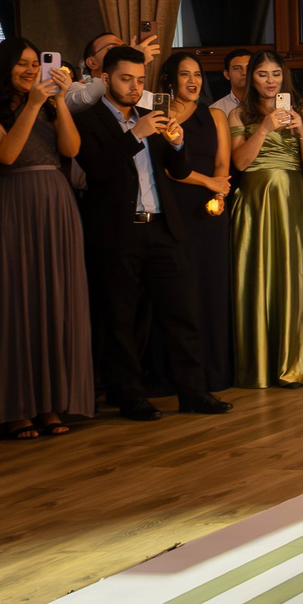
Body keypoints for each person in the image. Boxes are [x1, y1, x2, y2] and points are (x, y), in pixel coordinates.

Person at [70, 46, 230, 421]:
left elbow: (178, 166)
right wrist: (134, 135)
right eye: (126, 79)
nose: (133, 87)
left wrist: (176, 142)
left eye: (140, 80)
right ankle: (129, 396)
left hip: (162, 225)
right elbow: (97, 169)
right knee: (122, 317)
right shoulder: (89, 120)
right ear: (106, 79)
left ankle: (193, 391)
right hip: (117, 231)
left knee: (182, 310)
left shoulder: (151, 114)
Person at [0, 37, 93, 438]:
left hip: (56, 201)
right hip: (12, 204)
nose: (29, 70)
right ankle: (15, 407)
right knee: (14, 300)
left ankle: (53, 404)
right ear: (2, 69)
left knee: (57, 300)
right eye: (20, 64)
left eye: (33, 63)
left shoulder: (49, 104)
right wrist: (35, 104)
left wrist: (55, 104)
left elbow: (71, 147)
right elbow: (5, 153)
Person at [229, 50, 303, 387]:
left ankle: (298, 361)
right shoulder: (236, 115)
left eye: (276, 74)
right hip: (255, 203)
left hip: (293, 199)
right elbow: (241, 163)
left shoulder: (302, 111)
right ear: (250, 79)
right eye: (262, 74)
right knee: (258, 277)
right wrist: (264, 128)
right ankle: (257, 364)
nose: (270, 81)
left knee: (295, 275)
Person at [155, 50, 235, 393]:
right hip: (170, 209)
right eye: (185, 75)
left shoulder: (214, 114)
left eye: (198, 75)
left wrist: (218, 194)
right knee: (176, 291)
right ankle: (172, 377)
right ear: (170, 80)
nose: (193, 81)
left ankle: (213, 374)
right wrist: (210, 183)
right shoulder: (156, 116)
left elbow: (222, 163)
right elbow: (166, 169)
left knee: (210, 290)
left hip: (209, 212)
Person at [212, 48, 253, 122]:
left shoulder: (268, 103)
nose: (244, 73)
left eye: (249, 68)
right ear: (227, 74)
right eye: (237, 68)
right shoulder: (217, 109)